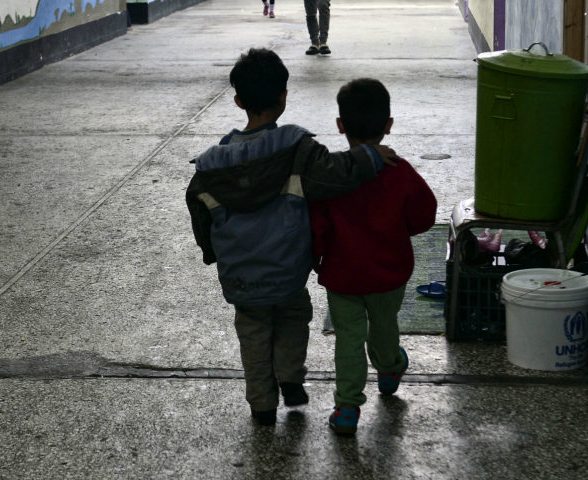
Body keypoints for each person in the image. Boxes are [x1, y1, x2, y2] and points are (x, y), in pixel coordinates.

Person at [185, 49, 396, 427]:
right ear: (284, 96)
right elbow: (337, 174)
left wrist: (212, 252)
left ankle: (262, 405)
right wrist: (373, 156)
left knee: (252, 334)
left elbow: (199, 211)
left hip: (241, 277)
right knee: (293, 318)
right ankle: (291, 378)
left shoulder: (213, 164)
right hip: (287, 273)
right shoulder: (298, 149)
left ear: (238, 101)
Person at [310, 78, 437, 435]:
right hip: (388, 272)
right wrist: (399, 233)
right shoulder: (400, 171)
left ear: (340, 126)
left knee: (348, 338)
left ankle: (347, 408)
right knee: (384, 326)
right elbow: (424, 215)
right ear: (388, 125)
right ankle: (390, 367)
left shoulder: (332, 175)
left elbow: (316, 226)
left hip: (342, 276)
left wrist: (317, 256)